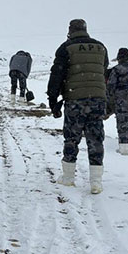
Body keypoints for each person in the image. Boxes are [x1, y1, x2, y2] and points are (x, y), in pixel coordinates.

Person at [46, 19, 110, 194]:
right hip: (97, 99)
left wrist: (53, 100)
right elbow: (103, 72)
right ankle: (96, 182)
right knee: (96, 138)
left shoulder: (66, 48)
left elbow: (57, 75)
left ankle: (68, 178)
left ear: (70, 30)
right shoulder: (100, 47)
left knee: (72, 138)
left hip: (75, 99)